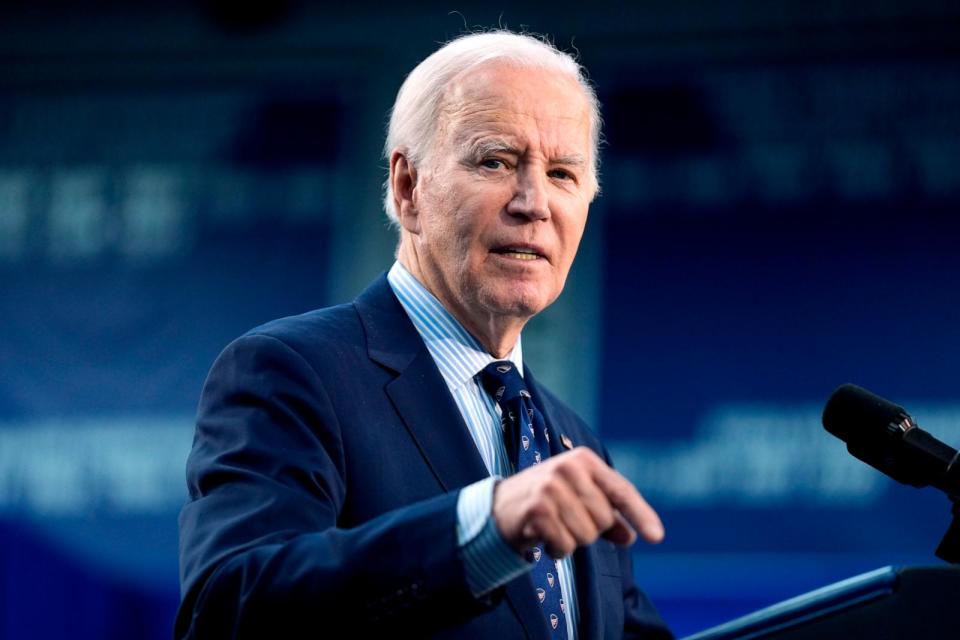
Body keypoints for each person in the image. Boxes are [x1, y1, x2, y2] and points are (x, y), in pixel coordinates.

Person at [176, 30, 673, 640]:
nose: (534, 203)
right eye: (495, 161)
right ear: (409, 188)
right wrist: (482, 526)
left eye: (564, 173)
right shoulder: (292, 373)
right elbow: (229, 610)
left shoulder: (574, 443)